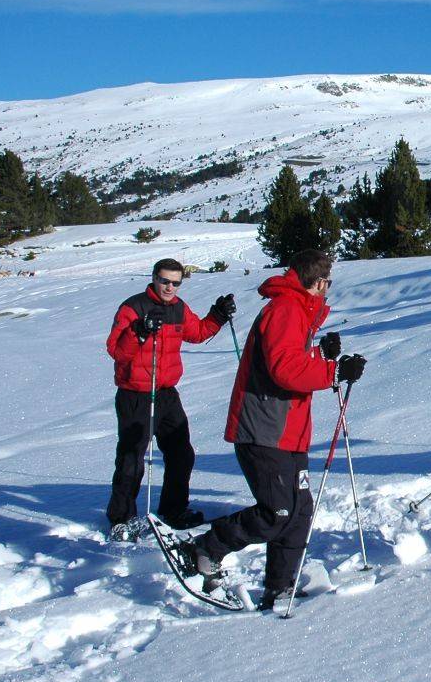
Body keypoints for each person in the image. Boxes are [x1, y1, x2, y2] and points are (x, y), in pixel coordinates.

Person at [186, 249, 366, 611]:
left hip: (288, 431)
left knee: (298, 512)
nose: (328, 290)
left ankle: (282, 586)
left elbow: (290, 361)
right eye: (327, 282)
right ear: (317, 283)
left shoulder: (297, 311)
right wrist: (332, 372)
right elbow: (284, 370)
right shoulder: (285, 310)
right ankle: (206, 548)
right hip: (264, 429)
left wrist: (323, 356)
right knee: (278, 512)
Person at [105, 258, 236, 540]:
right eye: (165, 281)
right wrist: (138, 332)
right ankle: (121, 519)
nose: (170, 287)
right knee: (132, 459)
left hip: (166, 392)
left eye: (176, 282)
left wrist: (218, 315)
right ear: (154, 278)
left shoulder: (178, 308)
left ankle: (173, 510)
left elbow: (197, 333)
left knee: (181, 453)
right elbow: (116, 350)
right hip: (136, 393)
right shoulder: (133, 307)